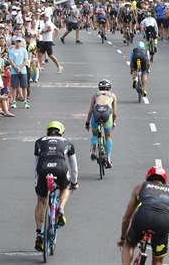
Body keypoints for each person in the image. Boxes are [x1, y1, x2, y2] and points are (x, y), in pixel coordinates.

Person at [117, 166, 169, 265]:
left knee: (129, 244)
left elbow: (126, 218)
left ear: (148, 178)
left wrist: (123, 238)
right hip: (162, 222)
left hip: (142, 217)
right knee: (158, 259)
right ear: (164, 181)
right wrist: (163, 243)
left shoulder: (141, 186)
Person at [33, 121, 78, 252]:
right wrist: (74, 182)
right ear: (61, 132)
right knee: (65, 188)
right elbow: (74, 166)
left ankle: (39, 235)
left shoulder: (39, 141)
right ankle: (61, 209)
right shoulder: (67, 142)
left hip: (43, 170)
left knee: (41, 201)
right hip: (60, 169)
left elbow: (35, 164)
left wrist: (37, 180)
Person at [85, 79, 117, 168]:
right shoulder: (113, 96)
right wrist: (113, 122)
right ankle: (109, 159)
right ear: (109, 88)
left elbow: (90, 111)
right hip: (107, 113)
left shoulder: (95, 95)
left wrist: (87, 122)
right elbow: (114, 113)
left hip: (96, 113)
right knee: (108, 137)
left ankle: (94, 146)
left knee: (95, 134)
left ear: (99, 88)